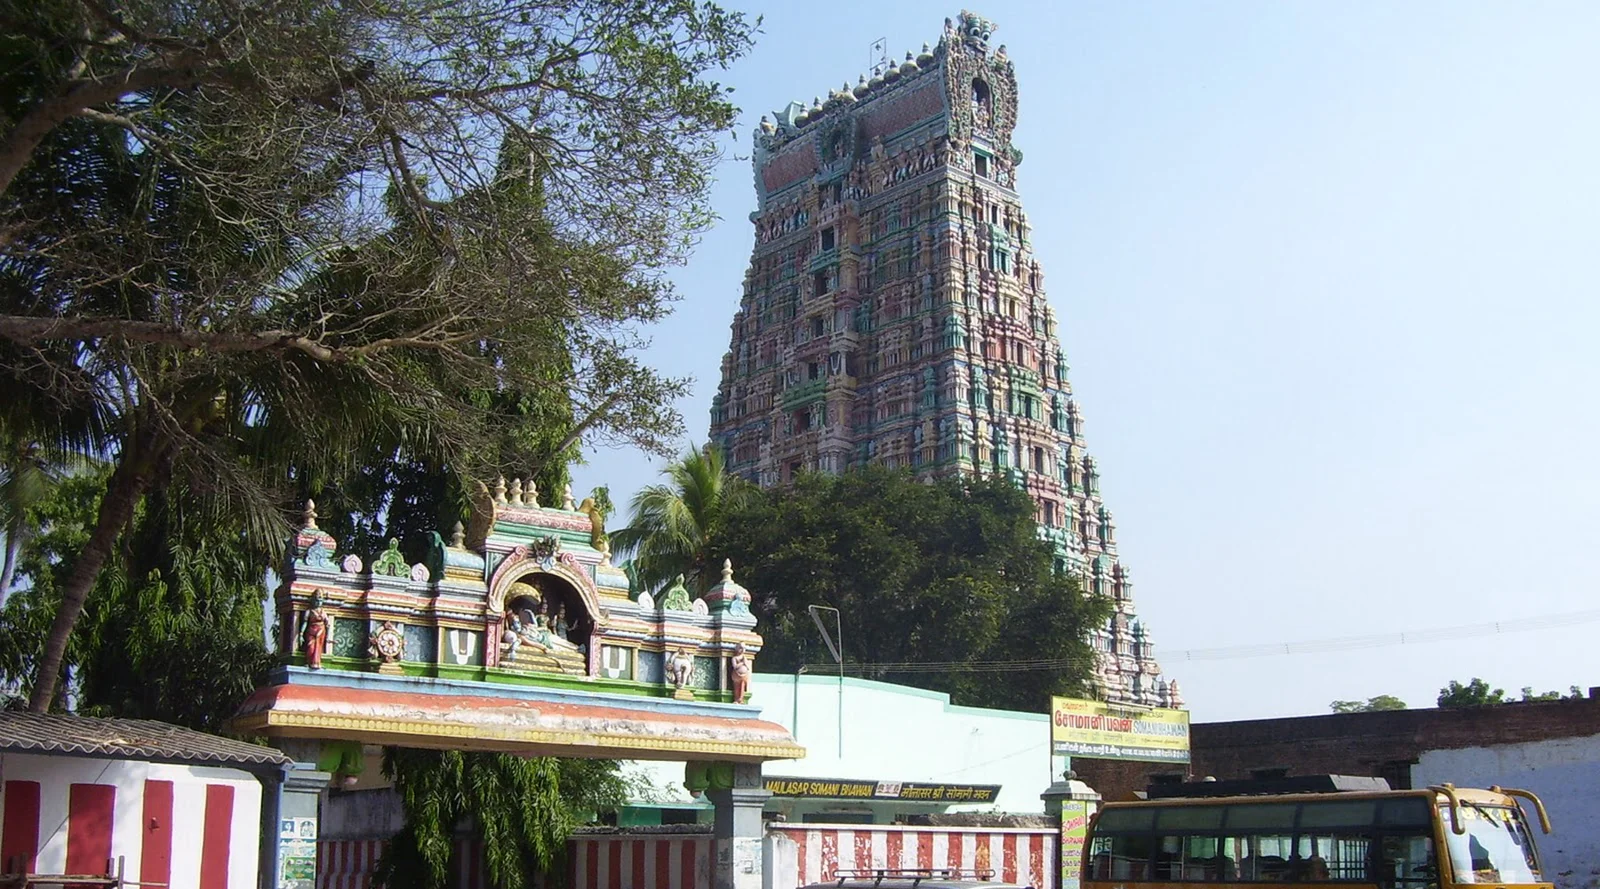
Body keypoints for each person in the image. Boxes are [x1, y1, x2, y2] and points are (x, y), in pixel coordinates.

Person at [302, 594, 330, 669]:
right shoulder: (309, 611)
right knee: (311, 647)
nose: (318, 603)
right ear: (313, 601)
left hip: (321, 631)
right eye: (316, 601)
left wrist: (328, 637)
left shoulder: (323, 612)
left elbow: (328, 624)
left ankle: (317, 663)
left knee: (318, 647)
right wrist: (301, 633)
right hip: (311, 630)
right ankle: (309, 662)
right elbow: (305, 622)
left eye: (320, 601)